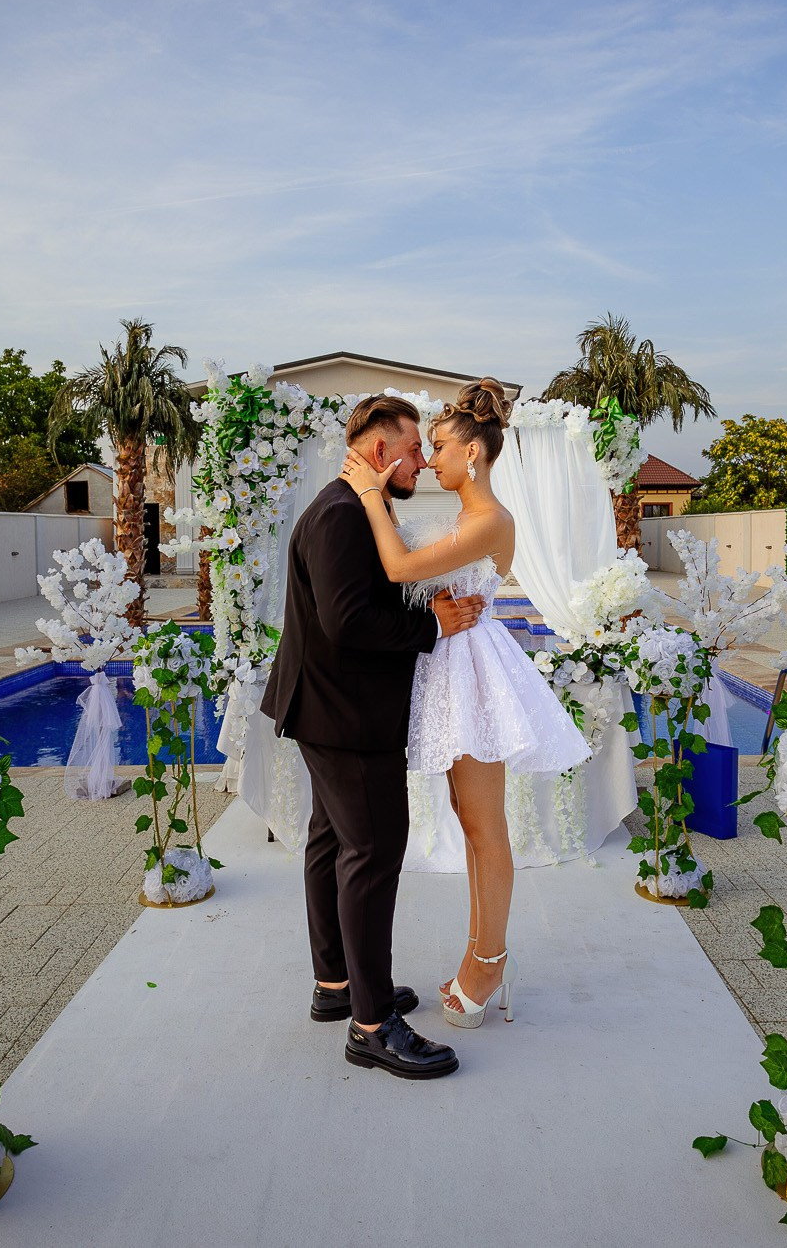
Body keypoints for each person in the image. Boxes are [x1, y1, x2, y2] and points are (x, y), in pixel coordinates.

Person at [339, 378, 590, 1029]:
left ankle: (489, 960)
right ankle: (481, 950)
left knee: (485, 826)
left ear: (474, 454)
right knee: (468, 818)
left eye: (443, 446)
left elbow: (400, 568)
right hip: (456, 662)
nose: (433, 459)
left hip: (476, 672)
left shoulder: (489, 520)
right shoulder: (468, 517)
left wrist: (369, 492)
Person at [261, 393, 484, 1080]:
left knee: (332, 844)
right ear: (382, 453)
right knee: (373, 850)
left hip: (332, 710)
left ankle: (339, 986)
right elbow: (349, 623)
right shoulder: (338, 514)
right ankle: (372, 1025)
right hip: (345, 717)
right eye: (416, 448)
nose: (423, 459)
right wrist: (433, 627)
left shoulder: (357, 506)